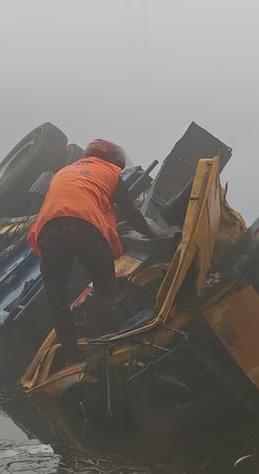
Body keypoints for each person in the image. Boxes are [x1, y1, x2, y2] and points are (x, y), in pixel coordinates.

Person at [27, 139, 160, 361]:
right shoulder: (110, 172)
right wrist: (152, 234)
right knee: (105, 287)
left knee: (57, 297)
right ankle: (100, 343)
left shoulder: (66, 171)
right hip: (85, 226)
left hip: (49, 228)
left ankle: (70, 352)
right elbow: (129, 211)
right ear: (113, 159)